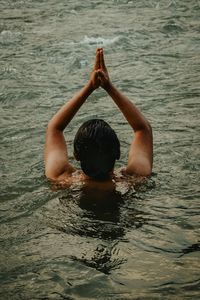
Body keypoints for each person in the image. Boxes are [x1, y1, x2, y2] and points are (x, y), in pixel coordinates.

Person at [44, 48, 153, 185]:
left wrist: (90, 86)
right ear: (118, 153)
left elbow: (54, 128)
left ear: (76, 156)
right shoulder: (134, 179)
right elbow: (143, 129)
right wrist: (109, 87)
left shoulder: (61, 179)